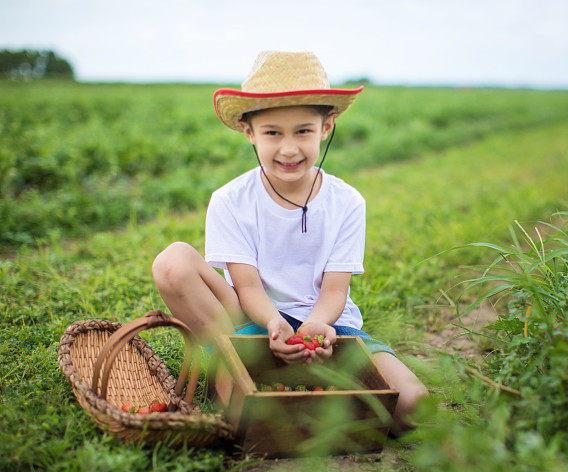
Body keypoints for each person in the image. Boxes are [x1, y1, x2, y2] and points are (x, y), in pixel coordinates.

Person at [151, 51, 427, 435]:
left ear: (326, 127)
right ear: (249, 132)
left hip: (329, 326)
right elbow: (246, 285)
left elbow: (335, 289)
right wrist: (273, 325)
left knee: (413, 404)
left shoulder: (347, 202)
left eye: (303, 131)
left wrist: (315, 325)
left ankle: (302, 393)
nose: (289, 149)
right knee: (173, 261)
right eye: (272, 133)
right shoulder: (231, 201)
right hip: (253, 318)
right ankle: (235, 362)